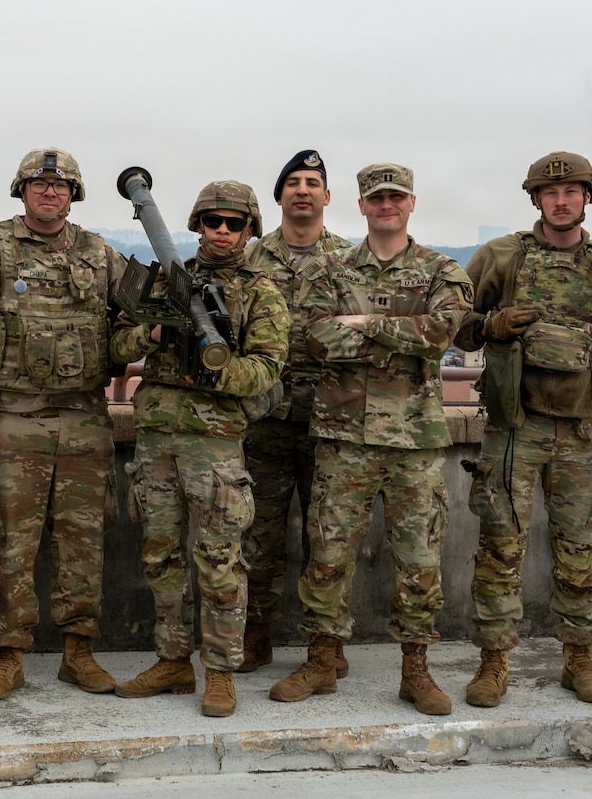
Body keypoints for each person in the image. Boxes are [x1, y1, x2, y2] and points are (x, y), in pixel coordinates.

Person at [451, 151, 592, 707]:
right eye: (550, 192)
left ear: (588, 198)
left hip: (582, 429)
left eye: (572, 192)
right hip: (516, 426)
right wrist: (490, 323)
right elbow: (454, 323)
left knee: (579, 549)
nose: (561, 200)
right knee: (500, 547)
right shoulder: (502, 256)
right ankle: (493, 663)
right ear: (536, 199)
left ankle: (579, 660)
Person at [282, 163, 472, 713]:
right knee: (327, 553)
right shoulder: (329, 269)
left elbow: (440, 335)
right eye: (376, 198)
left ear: (411, 203)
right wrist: (399, 337)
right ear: (361, 206)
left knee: (419, 559)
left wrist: (363, 325)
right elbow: (313, 337)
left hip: (413, 442)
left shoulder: (442, 270)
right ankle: (322, 662)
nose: (386, 205)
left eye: (396, 197)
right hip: (344, 439)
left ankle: (416, 670)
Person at [0, 148, 125, 699]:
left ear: (74, 195)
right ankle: (8, 656)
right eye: (39, 184)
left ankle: (79, 652)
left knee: (83, 544)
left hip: (85, 421)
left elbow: (140, 315)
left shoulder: (100, 254)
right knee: (10, 545)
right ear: (21, 189)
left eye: (61, 186)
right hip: (13, 421)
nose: (50, 193)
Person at [110, 180, 287, 719]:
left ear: (250, 228)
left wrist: (218, 371)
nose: (223, 232)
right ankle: (172, 661)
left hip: (214, 448)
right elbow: (116, 345)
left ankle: (221, 672)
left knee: (219, 564)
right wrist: (156, 335)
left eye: (235, 223)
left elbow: (269, 367)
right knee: (160, 557)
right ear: (198, 224)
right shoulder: (168, 282)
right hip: (158, 440)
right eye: (213, 221)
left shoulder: (262, 291)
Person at [239, 150, 349, 675]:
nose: (303, 190)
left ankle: (326, 645)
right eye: (293, 183)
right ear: (279, 197)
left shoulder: (352, 260)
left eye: (313, 183)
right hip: (264, 420)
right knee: (257, 534)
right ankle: (254, 635)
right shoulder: (250, 259)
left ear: (327, 197)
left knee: (329, 538)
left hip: (334, 421)